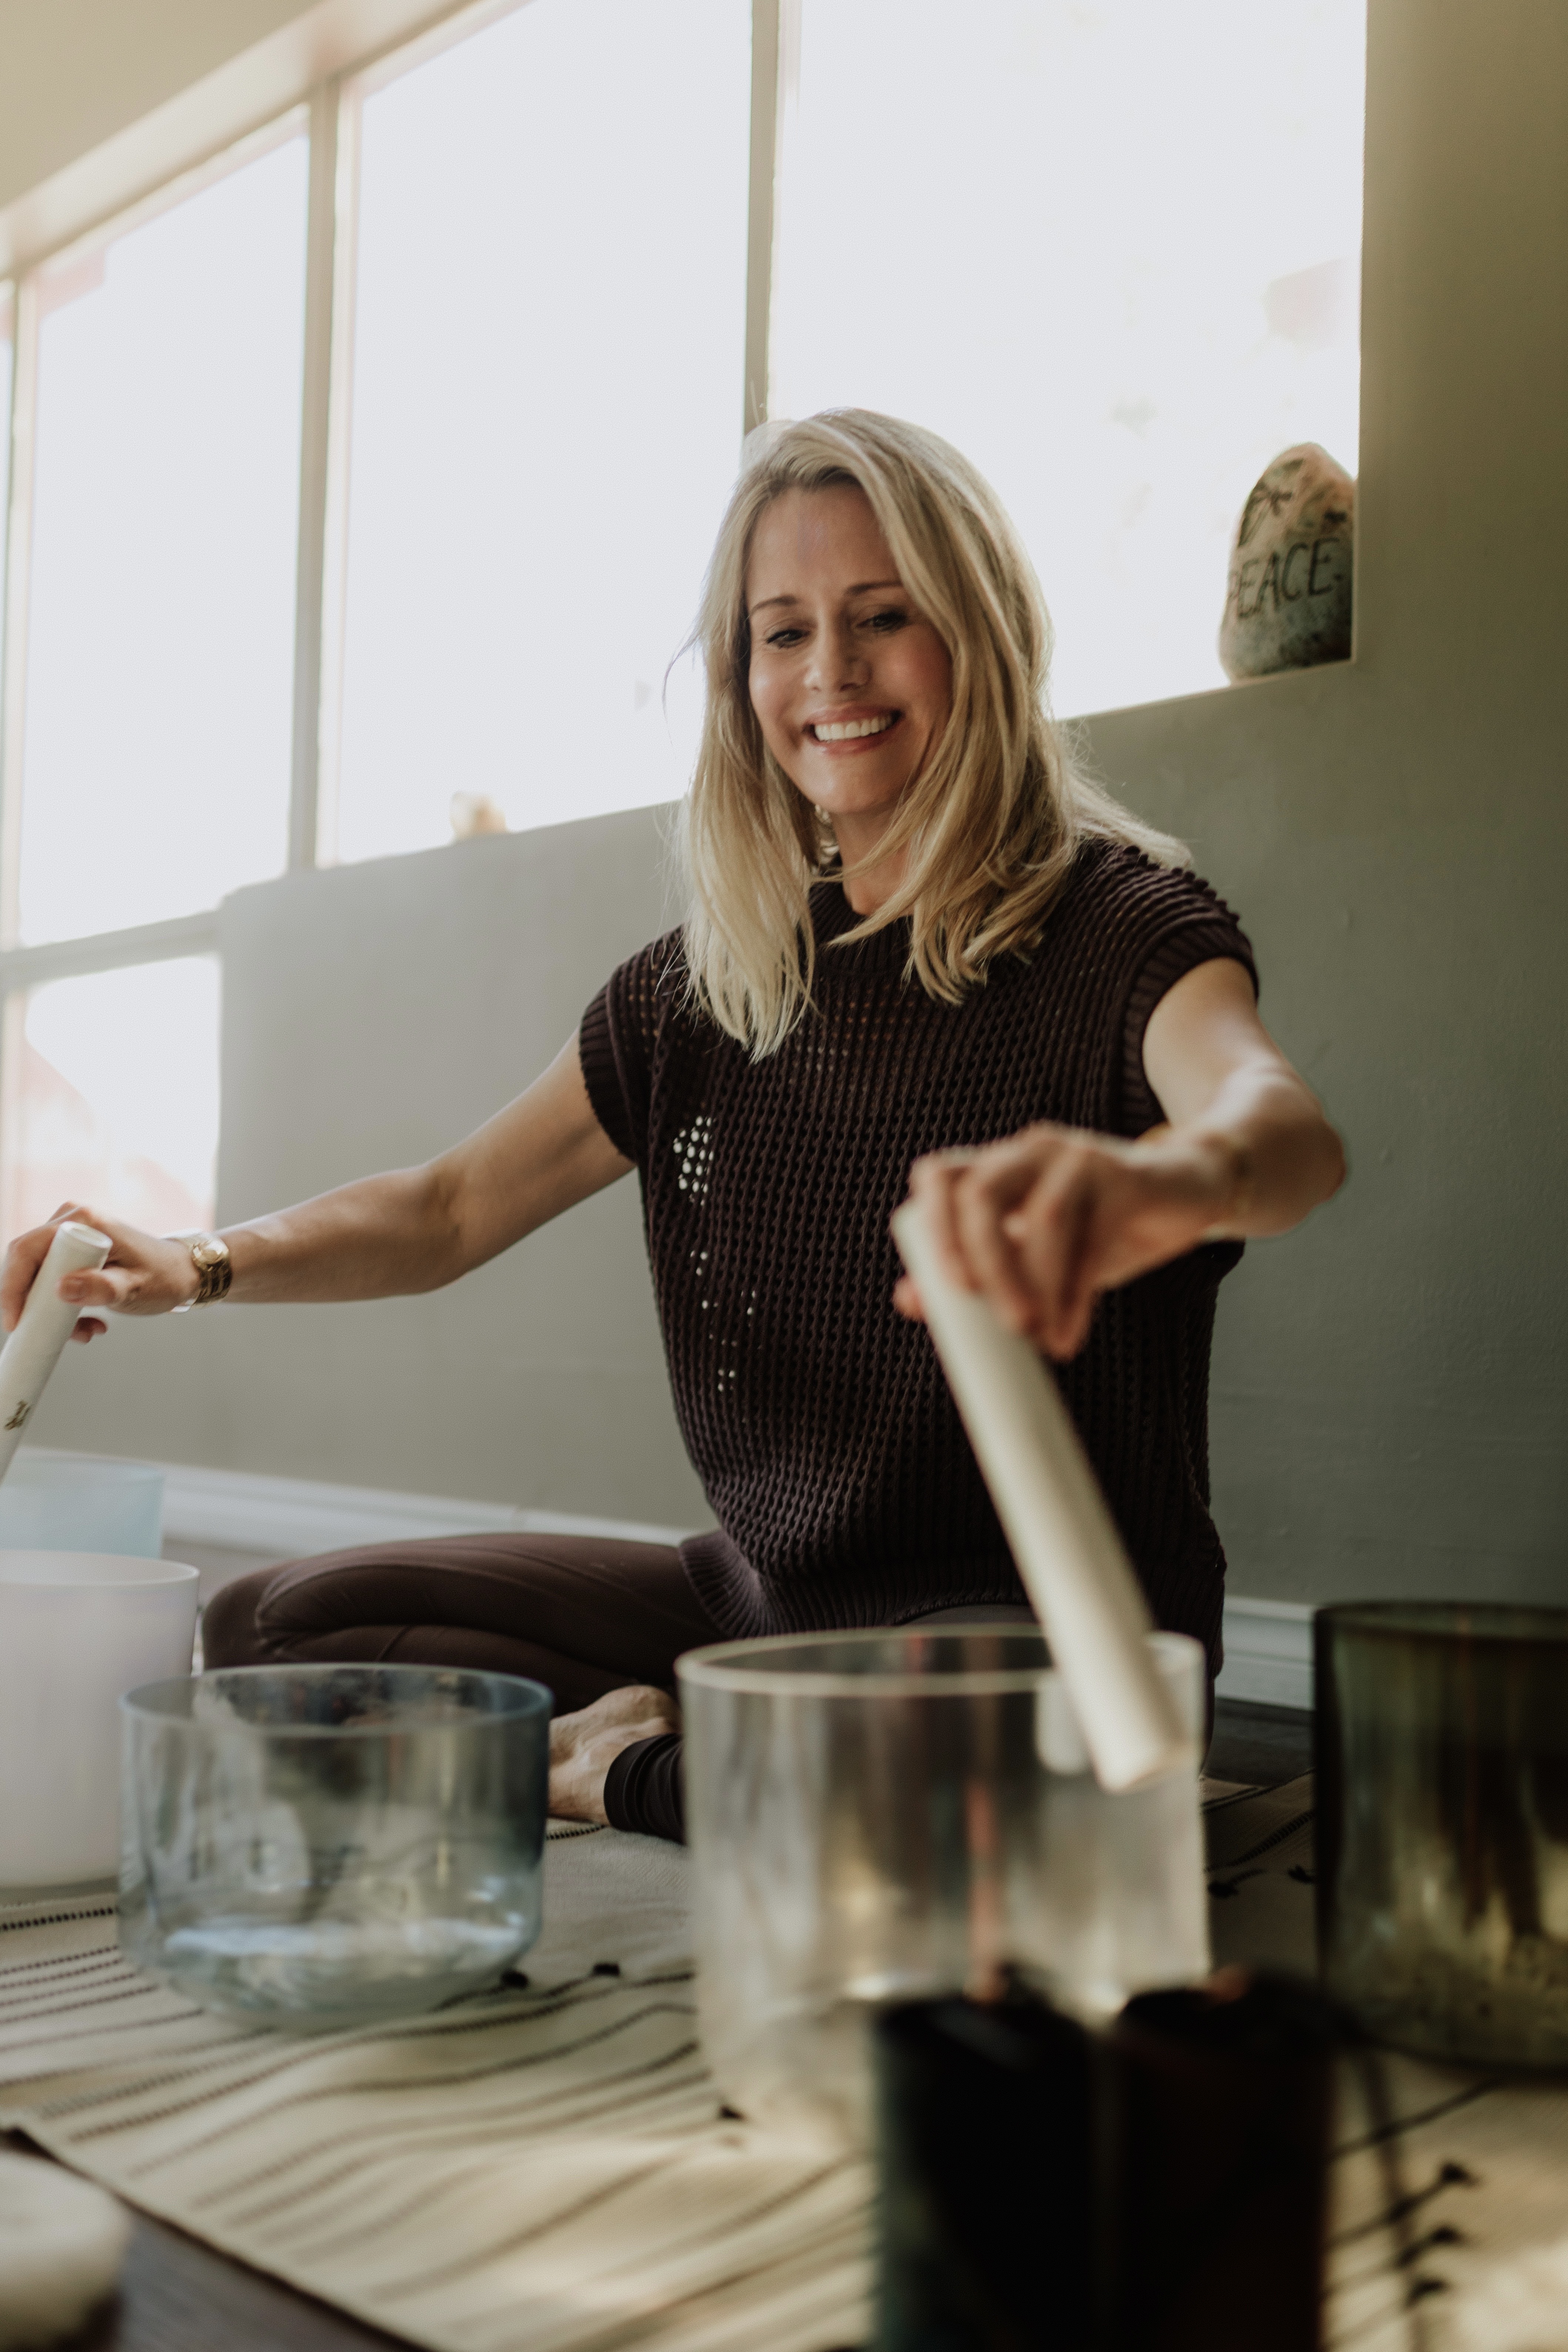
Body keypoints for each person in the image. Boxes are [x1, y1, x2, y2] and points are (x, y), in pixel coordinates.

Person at [1, 412, 1344, 1841]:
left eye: (882, 617)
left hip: (1038, 1641)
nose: (829, 669)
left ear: (982, 634)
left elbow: (1281, 1133)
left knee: (993, 1793)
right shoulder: (708, 988)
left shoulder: (1116, 921)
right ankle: (734, 1757)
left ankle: (614, 1770)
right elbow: (451, 1207)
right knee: (276, 1624)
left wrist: (1153, 1187)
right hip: (765, 1605)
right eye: (783, 631)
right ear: (737, 674)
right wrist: (197, 1261)